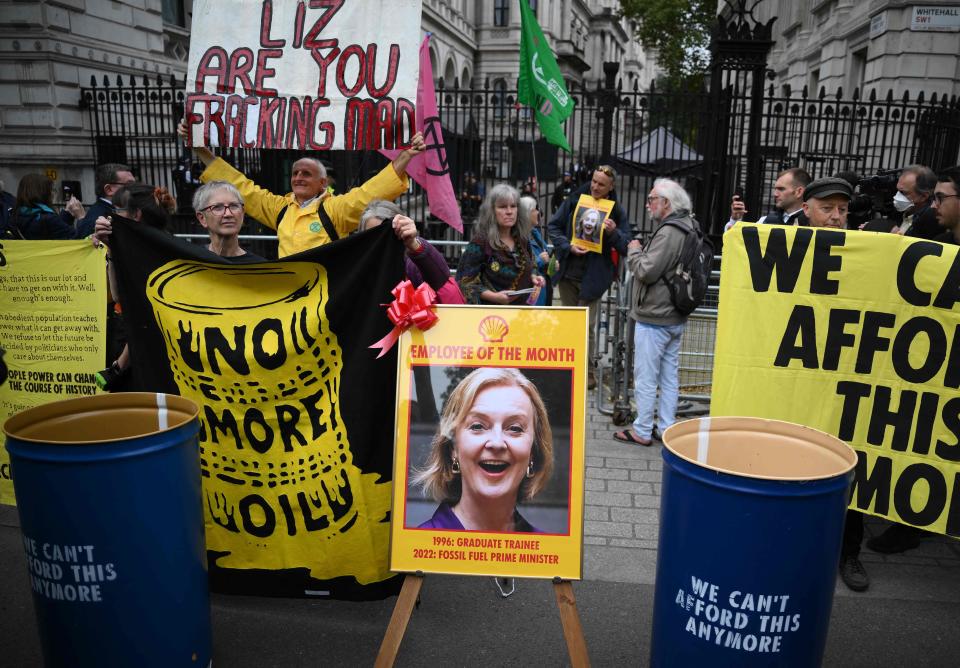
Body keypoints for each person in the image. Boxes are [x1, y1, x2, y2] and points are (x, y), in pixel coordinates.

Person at [177, 119, 425, 257]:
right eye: (295, 173)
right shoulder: (281, 208)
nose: (298, 178)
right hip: (286, 291)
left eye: (306, 174)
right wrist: (201, 150)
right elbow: (242, 187)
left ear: (323, 183)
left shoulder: (335, 209)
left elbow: (369, 193)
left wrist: (406, 156)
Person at [413, 367, 554, 533]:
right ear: (453, 449)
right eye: (478, 426)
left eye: (515, 428)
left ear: (532, 452)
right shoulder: (419, 549)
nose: (496, 443)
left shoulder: (547, 552)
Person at [613, 179, 696, 447]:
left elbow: (647, 270)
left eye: (652, 199)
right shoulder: (689, 225)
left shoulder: (670, 231)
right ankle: (666, 427)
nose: (648, 204)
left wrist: (635, 251)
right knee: (669, 376)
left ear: (667, 203)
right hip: (674, 313)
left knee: (646, 377)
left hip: (655, 315)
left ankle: (642, 429)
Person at [547, 165, 631, 388]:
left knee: (587, 327)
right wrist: (567, 245)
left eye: (601, 184)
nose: (595, 186)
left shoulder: (617, 211)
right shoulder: (575, 199)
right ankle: (567, 371)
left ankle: (588, 373)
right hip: (568, 275)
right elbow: (553, 226)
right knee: (568, 325)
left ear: (611, 187)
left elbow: (626, 245)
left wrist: (614, 233)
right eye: (594, 181)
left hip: (593, 279)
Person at [91, 183, 178, 391]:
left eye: (117, 211)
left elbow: (146, 317)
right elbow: (119, 295)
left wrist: (118, 366)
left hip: (140, 353)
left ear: (136, 214)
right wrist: (111, 248)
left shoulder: (150, 253)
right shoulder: (157, 246)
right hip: (133, 343)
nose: (111, 217)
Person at [359, 200, 464, 303]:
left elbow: (446, 292)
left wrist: (415, 245)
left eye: (386, 234)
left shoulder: (413, 265)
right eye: (373, 235)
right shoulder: (358, 268)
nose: (380, 242)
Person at [457, 184, 545, 305]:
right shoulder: (480, 242)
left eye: (513, 206)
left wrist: (534, 277)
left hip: (522, 315)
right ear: (492, 211)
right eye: (503, 207)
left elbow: (532, 264)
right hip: (492, 318)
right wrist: (494, 296)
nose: (509, 212)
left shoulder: (523, 239)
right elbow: (465, 283)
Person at [192, 181, 266, 263]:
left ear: (242, 213)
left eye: (234, 206)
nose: (228, 214)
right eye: (217, 207)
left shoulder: (259, 267)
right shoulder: (192, 263)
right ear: (202, 218)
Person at [725, 167, 811, 232]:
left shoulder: (814, 222)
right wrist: (735, 219)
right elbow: (737, 241)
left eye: (781, 189)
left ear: (799, 192)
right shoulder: (766, 221)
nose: (775, 194)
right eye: (775, 189)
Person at [9, 173, 86, 239]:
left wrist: (67, 214)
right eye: (51, 190)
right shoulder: (48, 219)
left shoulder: (15, 215)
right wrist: (81, 217)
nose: (52, 194)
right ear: (43, 193)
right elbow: (79, 239)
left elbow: (56, 231)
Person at [76, 163, 135, 237]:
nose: (136, 189)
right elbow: (97, 247)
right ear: (109, 189)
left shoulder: (115, 211)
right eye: (129, 184)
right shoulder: (97, 219)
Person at [520, 195, 552, 306]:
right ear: (526, 214)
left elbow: (546, 254)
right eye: (535, 209)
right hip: (529, 293)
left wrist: (552, 264)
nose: (538, 212)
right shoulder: (520, 237)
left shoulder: (534, 234)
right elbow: (520, 264)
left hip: (542, 291)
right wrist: (539, 260)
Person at [894, 164, 938, 239]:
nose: (897, 197)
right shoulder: (900, 213)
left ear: (924, 196)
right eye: (898, 191)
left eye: (904, 193)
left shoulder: (929, 221)